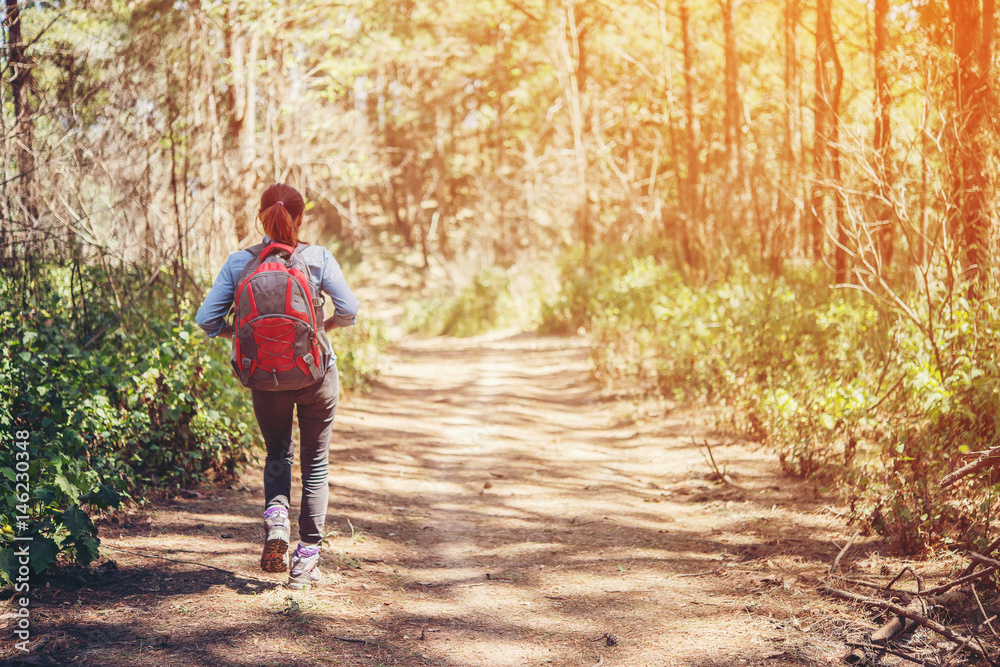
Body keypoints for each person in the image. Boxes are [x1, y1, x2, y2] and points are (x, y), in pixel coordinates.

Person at [195, 183, 359, 589]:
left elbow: (206, 320)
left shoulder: (240, 262)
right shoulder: (317, 258)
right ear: (300, 218)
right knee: (315, 464)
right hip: (316, 372)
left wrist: (241, 335)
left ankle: (277, 523)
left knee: (277, 454)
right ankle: (305, 563)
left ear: (261, 217)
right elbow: (350, 310)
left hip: (264, 378)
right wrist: (321, 327)